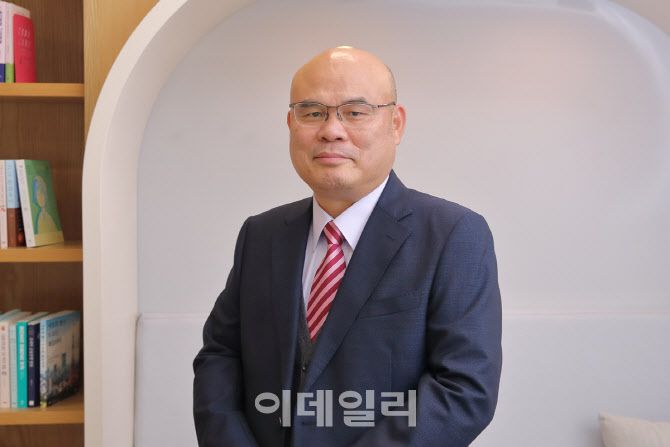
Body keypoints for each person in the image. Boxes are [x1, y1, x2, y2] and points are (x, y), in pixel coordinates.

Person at [193, 46, 502, 447]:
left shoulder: (452, 234)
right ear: (290, 124)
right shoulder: (261, 235)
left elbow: (463, 390)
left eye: (355, 112)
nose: (331, 130)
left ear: (396, 124)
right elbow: (220, 356)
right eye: (312, 113)